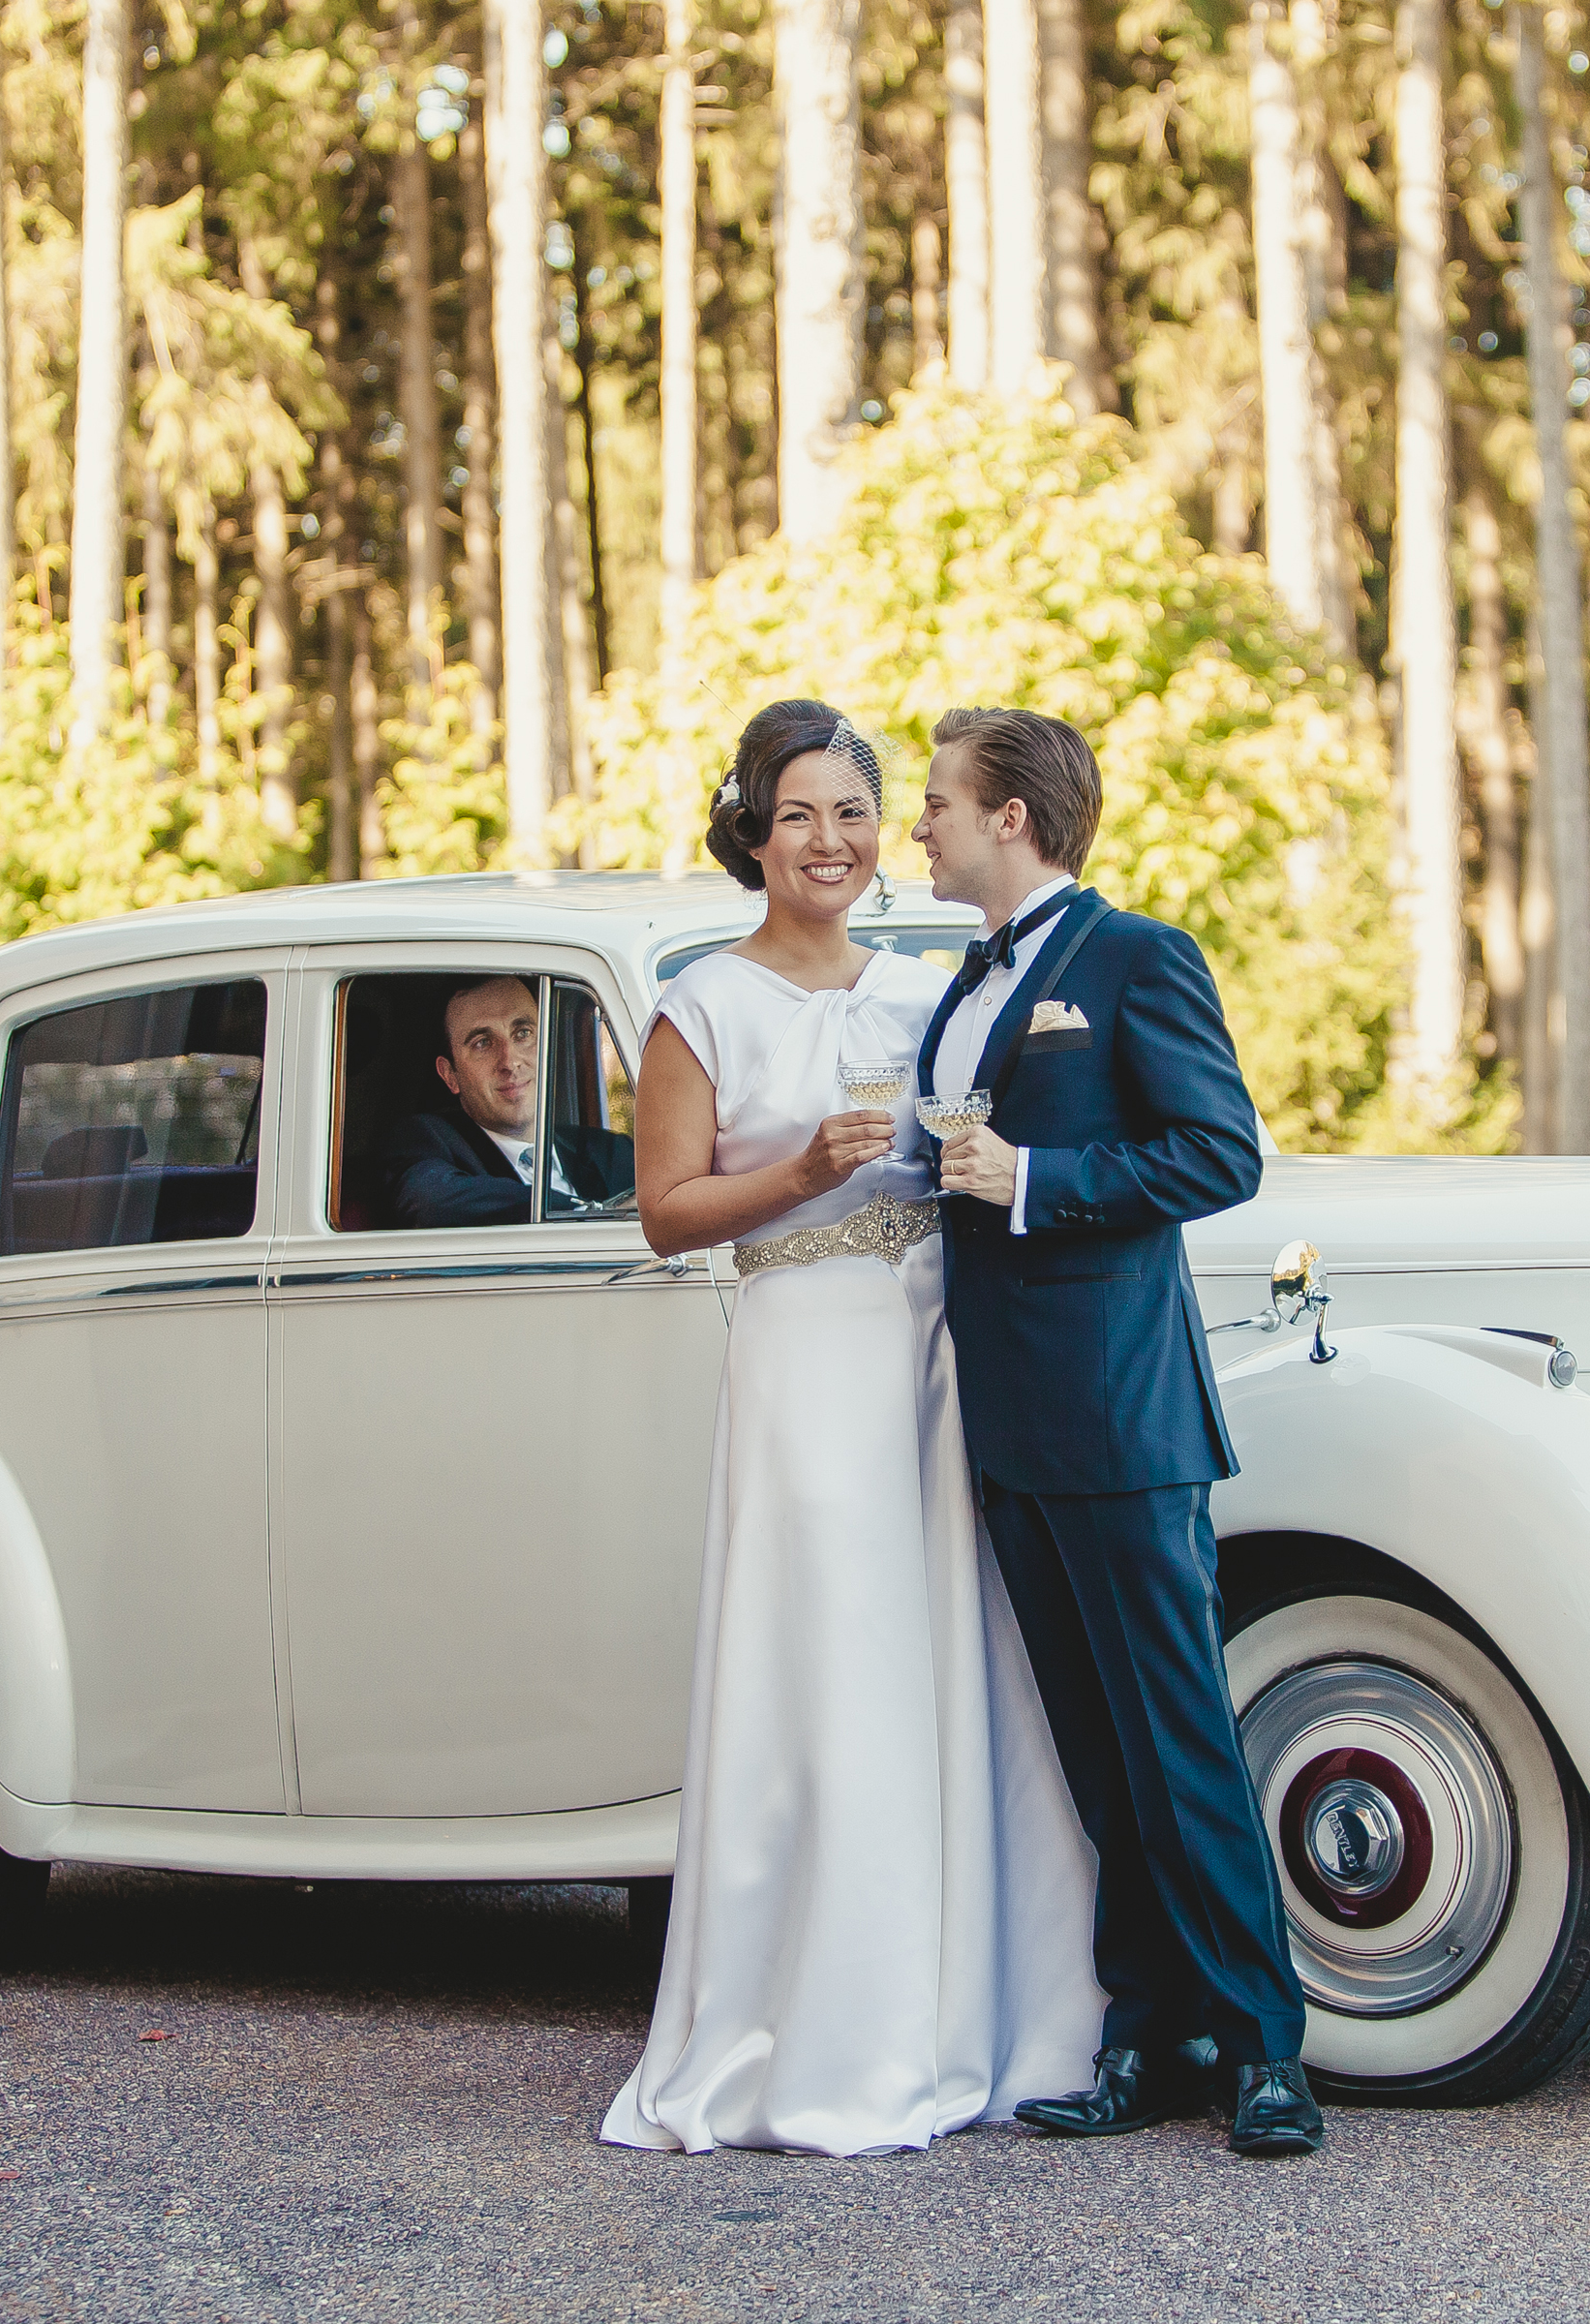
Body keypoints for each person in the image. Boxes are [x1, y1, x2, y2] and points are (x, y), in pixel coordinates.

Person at [601, 700, 1103, 2157]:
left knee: (958, 1658)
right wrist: (800, 1177)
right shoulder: (703, 1003)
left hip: (933, 1347)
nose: (832, 841)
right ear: (754, 834)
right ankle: (823, 2030)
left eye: (856, 813)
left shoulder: (926, 993)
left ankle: (994, 2019)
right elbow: (665, 1215)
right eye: (802, 814)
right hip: (807, 1349)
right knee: (830, 1668)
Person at [910, 706, 1326, 2159]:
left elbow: (1220, 1151)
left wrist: (1037, 1172)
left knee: (1179, 1737)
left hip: (1123, 1416)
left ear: (1012, 817)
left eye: (940, 802)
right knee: (1096, 1752)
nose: (921, 826)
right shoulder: (962, 983)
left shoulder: (1139, 958)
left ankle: (1270, 2046)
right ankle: (1148, 2036)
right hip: (1009, 1425)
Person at [380, 975, 635, 1228]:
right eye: (482, 1043)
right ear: (450, 1075)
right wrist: (581, 1212)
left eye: (523, 1033)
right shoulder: (427, 1139)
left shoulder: (612, 1151)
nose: (510, 1062)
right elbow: (427, 1202)